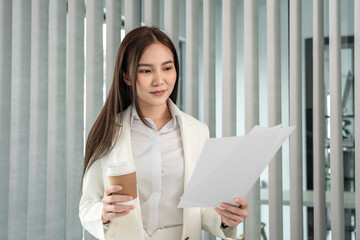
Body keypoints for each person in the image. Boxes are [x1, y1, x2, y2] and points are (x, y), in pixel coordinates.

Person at [79, 26, 248, 240]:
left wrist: (225, 218)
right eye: (146, 71)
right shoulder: (107, 131)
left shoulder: (197, 131)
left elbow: (200, 209)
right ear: (127, 77)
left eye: (167, 68)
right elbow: (87, 207)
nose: (160, 80)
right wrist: (102, 213)